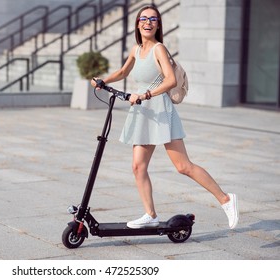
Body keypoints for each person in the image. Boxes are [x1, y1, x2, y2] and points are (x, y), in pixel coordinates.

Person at [91, 4, 239, 229]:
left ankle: (225, 199)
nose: (148, 23)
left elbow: (170, 79)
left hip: (160, 109)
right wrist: (103, 81)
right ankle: (150, 215)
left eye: (153, 19)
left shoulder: (158, 49)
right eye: (143, 19)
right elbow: (123, 72)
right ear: (137, 23)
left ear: (158, 25)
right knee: (138, 167)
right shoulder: (136, 49)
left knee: (183, 166)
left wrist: (146, 94)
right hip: (142, 111)